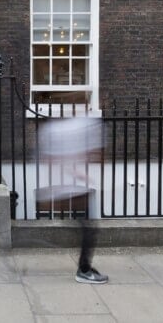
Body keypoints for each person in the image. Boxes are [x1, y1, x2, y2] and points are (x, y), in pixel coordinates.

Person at [38, 116, 109, 284]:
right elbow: (52, 159)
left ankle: (85, 268)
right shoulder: (66, 128)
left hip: (72, 188)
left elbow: (54, 158)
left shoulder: (60, 128)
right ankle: (84, 270)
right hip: (67, 190)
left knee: (88, 228)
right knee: (89, 229)